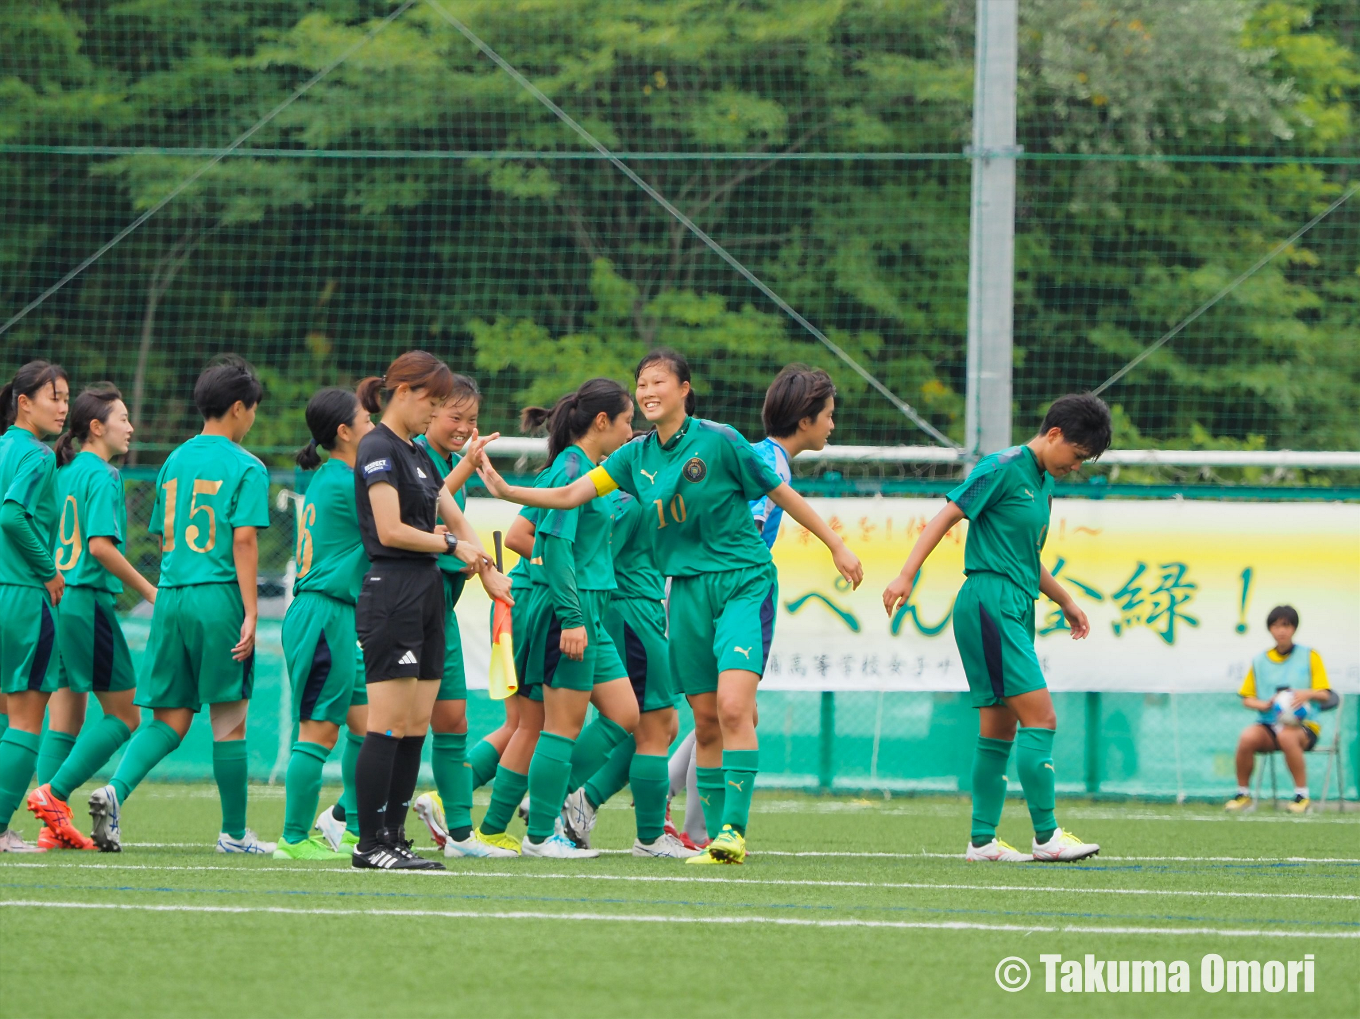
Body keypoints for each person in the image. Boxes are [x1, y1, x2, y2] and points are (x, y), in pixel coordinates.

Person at [478, 350, 862, 865]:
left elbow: (781, 494)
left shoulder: (720, 440)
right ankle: (618, 818)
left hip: (743, 582)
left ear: (685, 388)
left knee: (729, 707)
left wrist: (835, 544)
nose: (647, 391)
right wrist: (505, 490)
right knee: (701, 719)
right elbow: (571, 494)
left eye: (659, 381)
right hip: (683, 590)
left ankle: (731, 833)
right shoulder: (634, 456)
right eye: (641, 383)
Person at [883, 393, 1112, 863]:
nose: (1077, 465)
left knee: (999, 726)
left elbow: (1025, 558)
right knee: (1042, 718)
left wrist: (1065, 599)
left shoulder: (1042, 480)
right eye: (1077, 455)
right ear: (1053, 435)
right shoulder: (1002, 466)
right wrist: (907, 574)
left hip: (1014, 601)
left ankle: (982, 842)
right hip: (990, 602)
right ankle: (1047, 837)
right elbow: (947, 515)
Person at [86, 356, 272, 854]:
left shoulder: (175, 460)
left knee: (168, 719)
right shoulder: (246, 465)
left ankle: (114, 791)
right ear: (238, 408)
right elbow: (245, 542)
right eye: (253, 409)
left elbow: (168, 540)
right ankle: (234, 833)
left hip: (171, 597)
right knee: (229, 721)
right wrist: (252, 611)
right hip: (219, 599)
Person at [349, 351, 511, 871]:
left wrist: (484, 565)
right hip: (393, 592)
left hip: (425, 597)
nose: (438, 414)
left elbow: (449, 507)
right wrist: (449, 548)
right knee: (388, 724)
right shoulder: (377, 446)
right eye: (435, 403)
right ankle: (369, 843)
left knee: (416, 725)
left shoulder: (417, 453)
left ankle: (394, 837)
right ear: (405, 392)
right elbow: (391, 529)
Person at [669, 364, 839, 846]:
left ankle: (687, 816)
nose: (832, 425)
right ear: (806, 419)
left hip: (702, 587)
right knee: (728, 717)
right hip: (722, 590)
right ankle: (693, 820)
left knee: (730, 716)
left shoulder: (761, 454)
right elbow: (737, 525)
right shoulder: (765, 463)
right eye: (828, 414)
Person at [510, 379, 642, 859]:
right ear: (602, 422)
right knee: (559, 728)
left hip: (593, 611)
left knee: (626, 714)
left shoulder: (589, 470)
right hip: (574, 611)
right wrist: (570, 616)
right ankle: (541, 836)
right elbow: (554, 547)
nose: (633, 431)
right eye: (628, 420)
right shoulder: (570, 467)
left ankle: (547, 798)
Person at [25, 385, 157, 852]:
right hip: (85, 601)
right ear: (96, 428)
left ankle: (51, 827)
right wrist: (148, 589)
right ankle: (54, 795)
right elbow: (100, 547)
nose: (130, 426)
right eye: (122, 418)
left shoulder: (63, 473)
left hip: (58, 601)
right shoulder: (101, 475)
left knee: (66, 716)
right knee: (126, 714)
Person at [560, 467, 698, 858]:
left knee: (663, 725)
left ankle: (583, 799)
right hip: (631, 614)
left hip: (644, 613)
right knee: (652, 726)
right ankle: (648, 836)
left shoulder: (654, 501)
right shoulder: (629, 499)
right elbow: (590, 551)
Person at [408, 375, 518, 858]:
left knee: (453, 720)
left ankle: (459, 835)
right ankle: (346, 816)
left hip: (440, 608)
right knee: (397, 723)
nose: (464, 427)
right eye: (455, 417)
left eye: (472, 420)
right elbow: (420, 511)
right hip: (407, 606)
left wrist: (484, 568)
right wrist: (466, 468)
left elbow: (454, 522)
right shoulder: (409, 455)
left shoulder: (453, 462)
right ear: (429, 412)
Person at [270, 387, 376, 860]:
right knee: (318, 732)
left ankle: (352, 826)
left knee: (370, 726)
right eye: (366, 421)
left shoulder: (338, 477)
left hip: (336, 613)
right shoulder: (345, 482)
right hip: (323, 613)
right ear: (344, 431)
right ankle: (293, 840)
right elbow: (398, 526)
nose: (372, 427)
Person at [0, 361, 70, 853]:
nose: (63, 407)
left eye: (67, 398)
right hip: (24, 596)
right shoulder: (38, 455)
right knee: (26, 721)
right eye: (54, 397)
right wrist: (49, 569)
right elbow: (12, 514)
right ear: (24, 402)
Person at [1225, 605, 1335, 814]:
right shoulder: (1259, 661)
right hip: (1269, 724)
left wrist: (1306, 694)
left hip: (1303, 726)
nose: (1281, 630)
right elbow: (1247, 699)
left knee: (1287, 736)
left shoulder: (1310, 656)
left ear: (1294, 628)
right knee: (1247, 737)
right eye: (1276, 626)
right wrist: (1266, 705)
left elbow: (1326, 695)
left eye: (1286, 625)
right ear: (1270, 629)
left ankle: (1302, 796)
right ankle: (1243, 795)